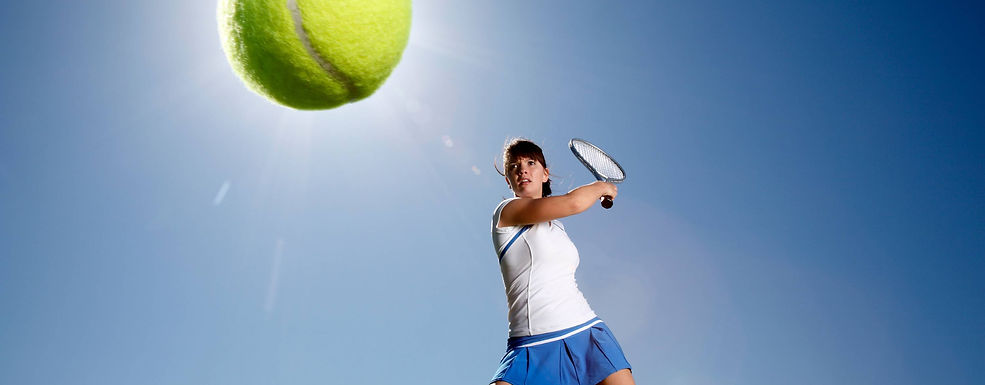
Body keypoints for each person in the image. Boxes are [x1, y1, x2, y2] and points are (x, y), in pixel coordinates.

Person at [490, 138, 635, 385]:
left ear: (545, 174)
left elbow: (567, 206)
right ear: (508, 180)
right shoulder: (507, 212)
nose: (522, 169)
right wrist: (601, 187)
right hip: (532, 344)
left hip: (586, 331)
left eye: (531, 162)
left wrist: (598, 191)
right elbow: (574, 202)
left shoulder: (557, 226)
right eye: (513, 167)